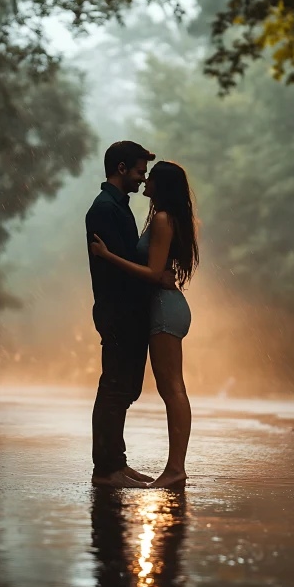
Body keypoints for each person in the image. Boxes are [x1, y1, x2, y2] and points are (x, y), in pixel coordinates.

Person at [91, 160, 199, 489]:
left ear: (161, 185)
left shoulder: (164, 218)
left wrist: (108, 256)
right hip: (164, 306)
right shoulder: (165, 217)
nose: (145, 180)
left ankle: (175, 469)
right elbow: (156, 270)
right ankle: (172, 467)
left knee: (173, 390)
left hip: (165, 308)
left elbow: (153, 273)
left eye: (150, 176)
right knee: (172, 389)